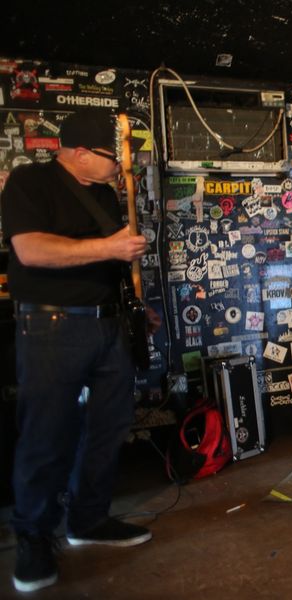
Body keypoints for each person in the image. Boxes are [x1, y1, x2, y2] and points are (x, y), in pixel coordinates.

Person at [1, 110, 155, 593]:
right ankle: (32, 537)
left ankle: (88, 519)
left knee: (109, 428)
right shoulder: (29, 183)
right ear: (81, 153)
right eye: (113, 157)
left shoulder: (105, 194)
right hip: (51, 327)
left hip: (109, 325)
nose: (121, 166)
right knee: (46, 435)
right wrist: (110, 249)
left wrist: (135, 307)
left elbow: (110, 261)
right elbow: (31, 250)